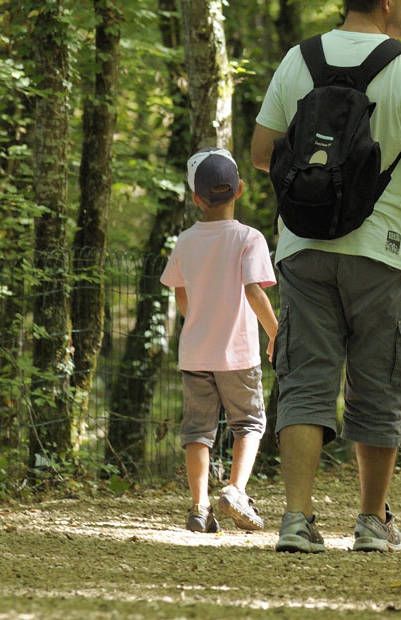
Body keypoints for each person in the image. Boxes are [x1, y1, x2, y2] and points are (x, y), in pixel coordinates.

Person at [251, 0, 401, 553]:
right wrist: (381, 190)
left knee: (306, 380)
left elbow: (261, 154)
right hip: (382, 250)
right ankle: (370, 522)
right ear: (388, 0)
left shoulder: (298, 59)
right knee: (378, 382)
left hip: (303, 245)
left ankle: (296, 519)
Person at [160, 147, 279, 534]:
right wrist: (276, 332)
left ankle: (199, 507)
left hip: (195, 352)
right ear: (240, 189)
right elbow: (254, 291)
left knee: (198, 431)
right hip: (239, 354)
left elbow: (179, 292)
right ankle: (235, 491)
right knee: (249, 424)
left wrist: (197, 319)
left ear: (196, 198)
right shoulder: (249, 238)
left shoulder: (185, 241)